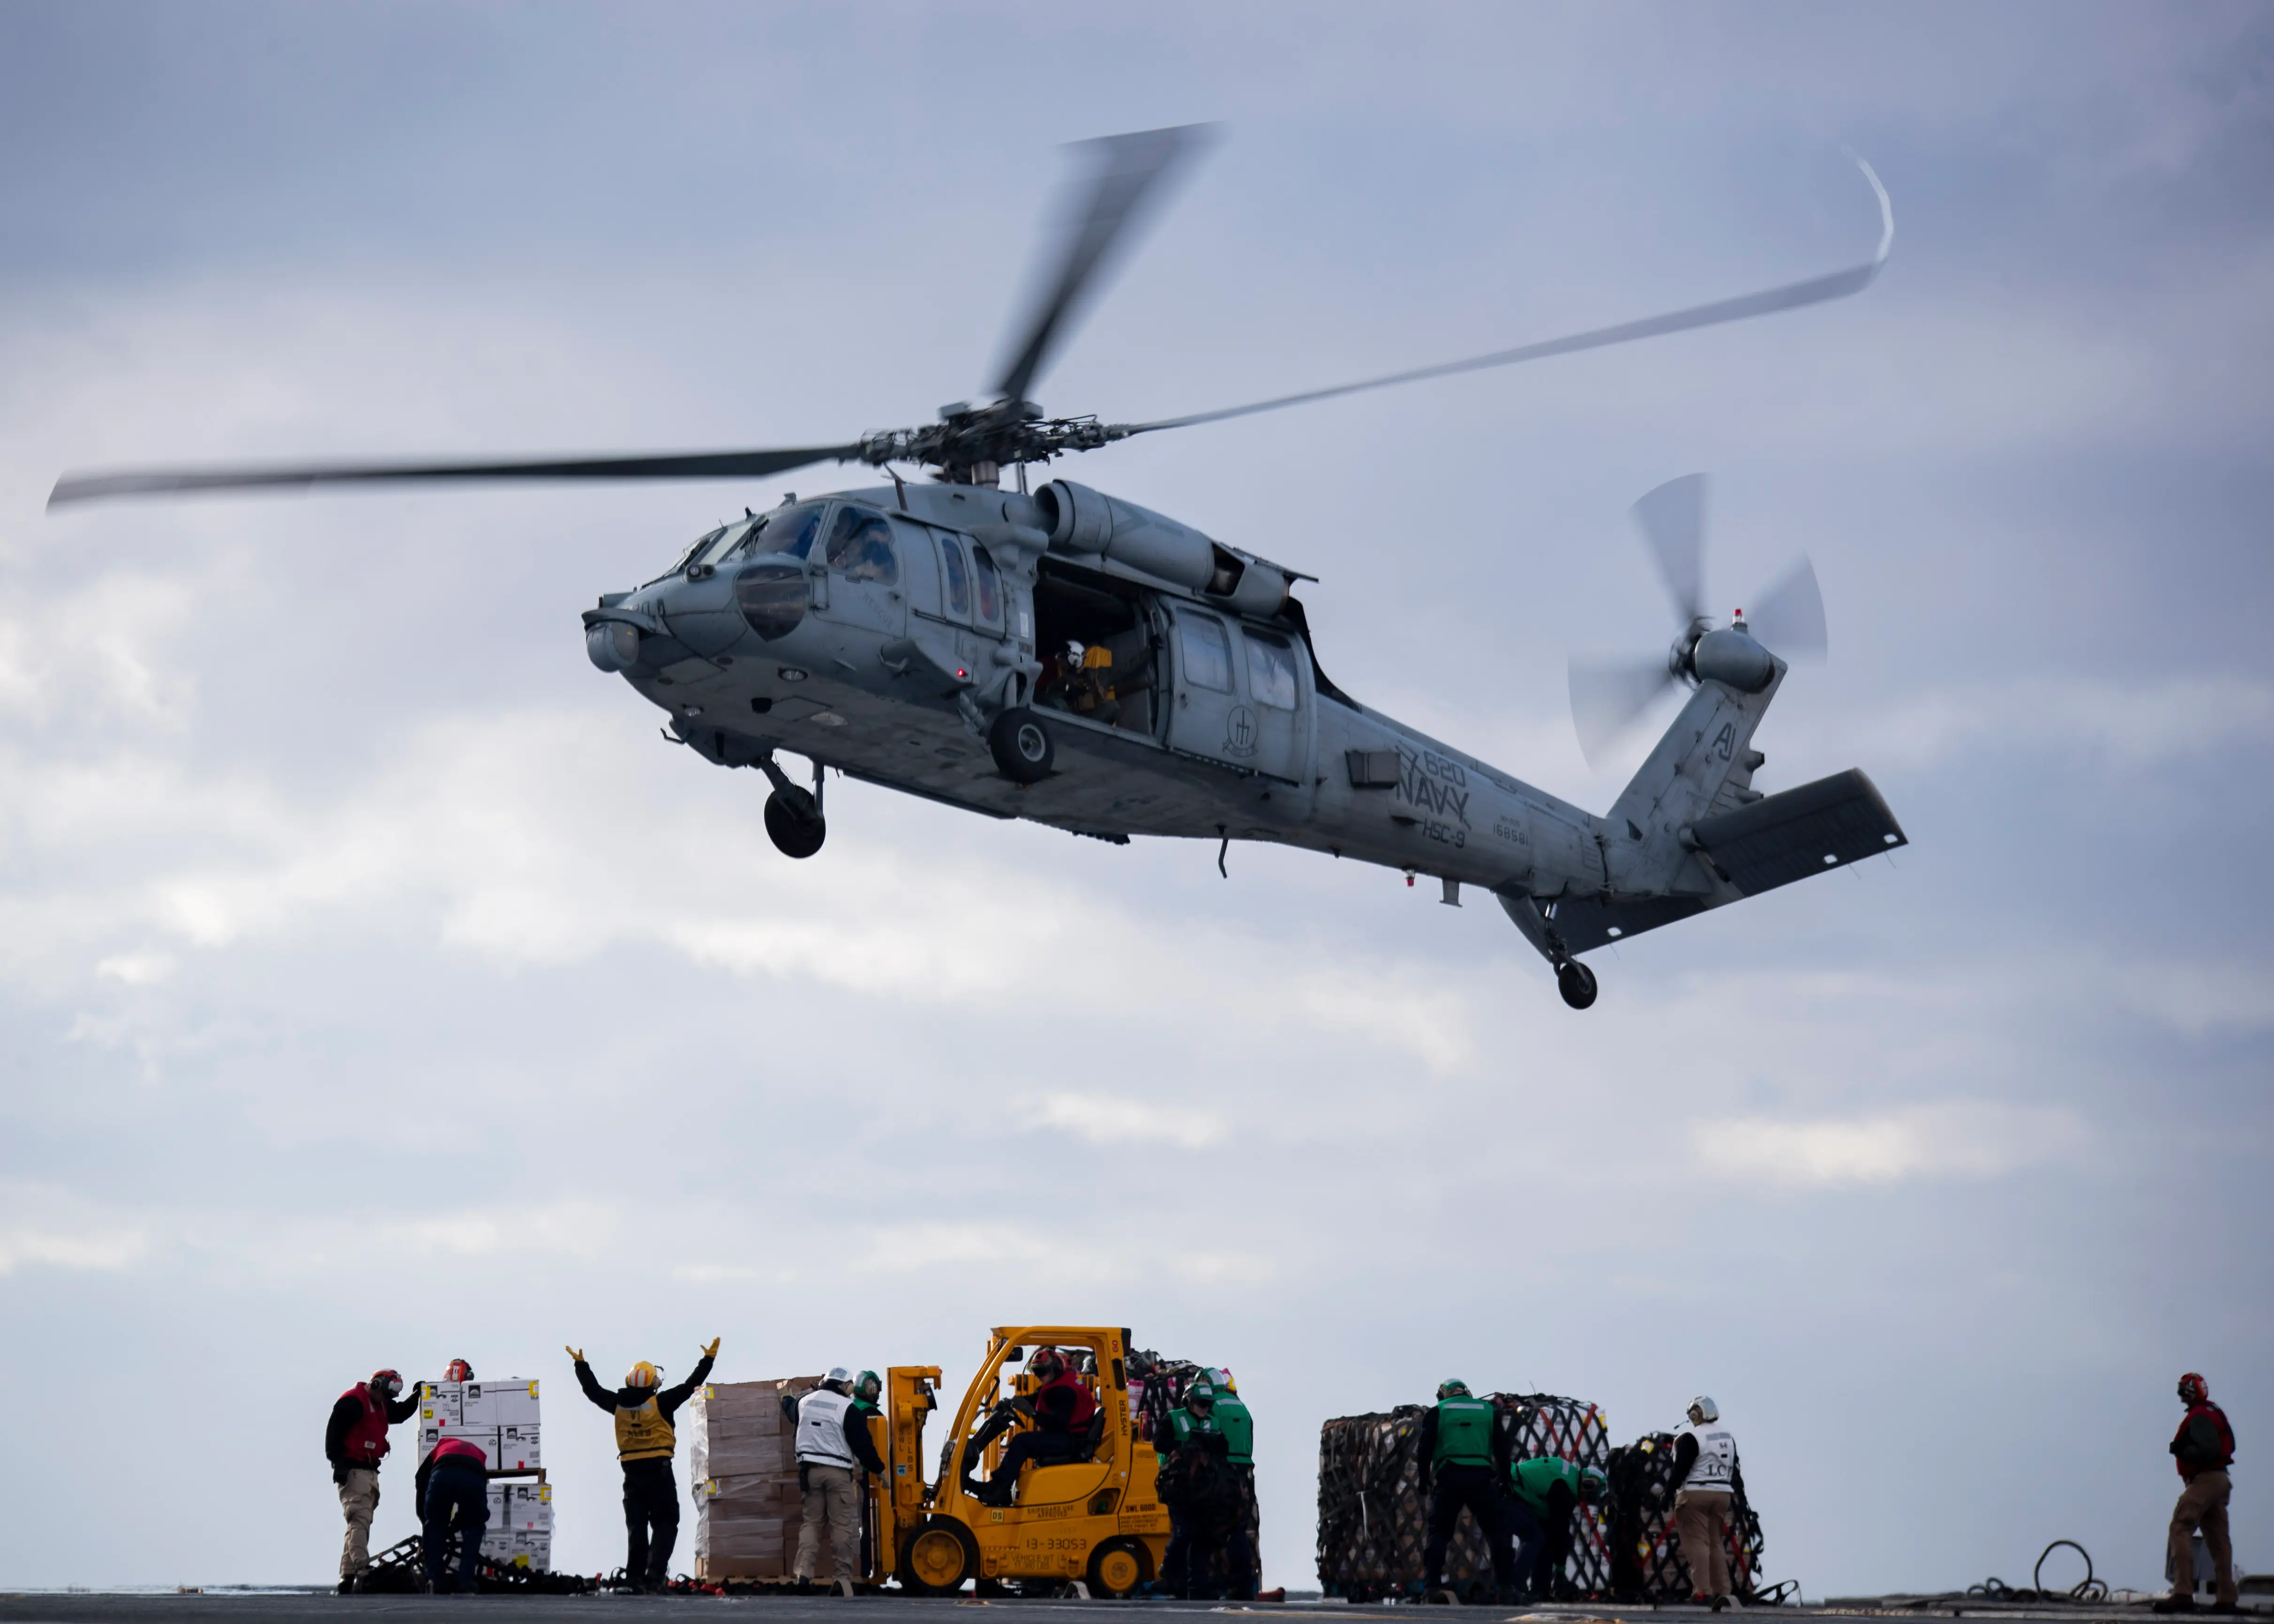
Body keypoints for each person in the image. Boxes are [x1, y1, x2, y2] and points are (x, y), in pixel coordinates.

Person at [570, 1337, 719, 1593]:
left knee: (636, 1525)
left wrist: (581, 1366)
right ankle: (655, 1574)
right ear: (653, 1382)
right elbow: (690, 1385)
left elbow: (593, 1391)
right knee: (666, 1522)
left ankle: (634, 1576)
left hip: (631, 1473)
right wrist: (708, 1360)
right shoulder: (661, 1403)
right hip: (659, 1471)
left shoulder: (617, 1404)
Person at [783, 1366, 887, 1589]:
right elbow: (864, 1446)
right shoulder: (847, 1408)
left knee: (811, 1524)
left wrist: (784, 1399)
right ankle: (841, 1580)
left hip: (810, 1473)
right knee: (841, 1527)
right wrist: (880, 1471)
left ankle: (803, 1575)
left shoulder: (805, 1402)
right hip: (838, 1474)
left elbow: (790, 1411)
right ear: (845, 1386)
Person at [1417, 1379, 1515, 1602]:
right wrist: (1506, 1479)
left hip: (1449, 1477)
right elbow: (1502, 1447)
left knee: (1439, 1534)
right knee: (1497, 1533)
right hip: (1480, 1478)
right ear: (1467, 1392)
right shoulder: (1488, 1411)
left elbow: (1425, 1448)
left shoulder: (1437, 1411)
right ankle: (1506, 1588)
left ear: (1443, 1394)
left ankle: (1432, 1588)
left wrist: (1424, 1479)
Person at [323, 1367, 420, 1594]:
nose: (387, 1400)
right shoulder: (353, 1402)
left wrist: (417, 1396)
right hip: (353, 1470)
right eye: (385, 1395)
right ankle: (363, 1572)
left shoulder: (380, 1404)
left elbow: (400, 1414)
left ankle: (346, 1578)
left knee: (360, 1523)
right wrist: (338, 1464)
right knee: (359, 1520)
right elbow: (333, 1433)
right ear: (376, 1385)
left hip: (368, 1472)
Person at [2155, 1372, 2239, 1614]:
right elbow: (2224, 1446)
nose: (2181, 1394)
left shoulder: (2200, 1416)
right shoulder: (2212, 1412)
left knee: (2180, 1527)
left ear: (2193, 1391)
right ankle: (2226, 1598)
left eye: (2185, 1389)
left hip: (2206, 1479)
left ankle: (2183, 1593)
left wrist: (2183, 1450)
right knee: (2218, 1540)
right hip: (2220, 1479)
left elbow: (2210, 1449)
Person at [1156, 1380, 1248, 1599]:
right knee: (1184, 1531)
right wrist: (1184, 1450)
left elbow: (1223, 1448)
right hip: (1178, 1485)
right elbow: (1159, 1443)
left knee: (1203, 1536)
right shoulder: (1174, 1418)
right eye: (1200, 1402)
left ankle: (1195, 1589)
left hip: (1204, 1489)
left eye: (1208, 1403)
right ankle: (1169, 1573)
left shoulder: (1212, 1421)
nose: (1204, 1407)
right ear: (1188, 1400)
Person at [977, 1348, 1097, 1506]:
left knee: (1021, 1442)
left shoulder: (1065, 1391)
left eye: (1042, 1373)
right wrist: (1013, 1402)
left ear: (1054, 1368)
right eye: (1036, 1373)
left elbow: (1058, 1424)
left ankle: (1000, 1490)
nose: (1039, 1377)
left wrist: (1031, 1413)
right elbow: (1037, 1398)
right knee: (1022, 1441)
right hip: (1067, 1437)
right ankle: (999, 1486)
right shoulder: (1057, 1383)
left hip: (1071, 1441)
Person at [1506, 1455, 1605, 1602]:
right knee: (1534, 1538)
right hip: (1511, 1491)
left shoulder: (1568, 1480)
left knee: (1543, 1539)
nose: (1584, 1501)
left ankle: (1540, 1591)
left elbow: (1555, 1534)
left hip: (1519, 1492)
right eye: (1588, 1497)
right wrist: (1560, 1572)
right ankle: (1515, 1587)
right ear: (1588, 1485)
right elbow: (1559, 1532)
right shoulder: (1566, 1491)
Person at [1671, 1396, 1738, 1611]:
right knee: (1716, 1542)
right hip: (1723, 1494)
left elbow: (1681, 1468)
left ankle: (1702, 1591)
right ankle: (1723, 1591)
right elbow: (1734, 1468)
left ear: (1695, 1415)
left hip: (1696, 1493)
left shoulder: (1693, 1437)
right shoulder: (1727, 1436)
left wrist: (1668, 1492)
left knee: (1697, 1542)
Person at [416, 1434, 490, 1594]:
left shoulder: (440, 1446)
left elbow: (420, 1478)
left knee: (435, 1524)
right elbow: (473, 1507)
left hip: (443, 1475)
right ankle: (465, 1580)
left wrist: (424, 1517)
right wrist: (456, 1526)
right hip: (474, 1479)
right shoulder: (479, 1454)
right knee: (475, 1527)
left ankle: (435, 1581)